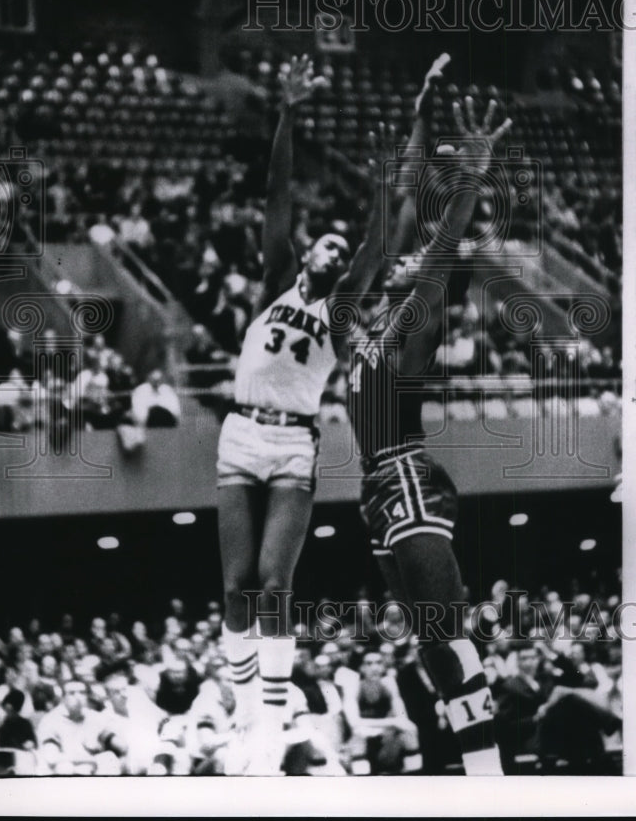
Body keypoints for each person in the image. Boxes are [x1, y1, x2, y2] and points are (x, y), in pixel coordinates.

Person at [216, 55, 386, 775]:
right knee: (234, 586)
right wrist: (286, 111)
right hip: (238, 432)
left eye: (340, 250)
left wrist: (381, 189)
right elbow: (278, 194)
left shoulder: (340, 308)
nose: (333, 250)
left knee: (272, 581)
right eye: (327, 242)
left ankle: (275, 704)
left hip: (291, 445)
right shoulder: (269, 285)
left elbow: (376, 249)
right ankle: (245, 701)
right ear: (306, 252)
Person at [345, 78, 512, 775]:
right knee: (429, 641)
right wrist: (402, 151)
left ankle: (490, 774)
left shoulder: (404, 331)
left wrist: (468, 181)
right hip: (376, 492)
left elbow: (437, 251)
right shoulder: (354, 332)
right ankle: (482, 764)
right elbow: (377, 240)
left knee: (443, 627)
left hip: (406, 474)